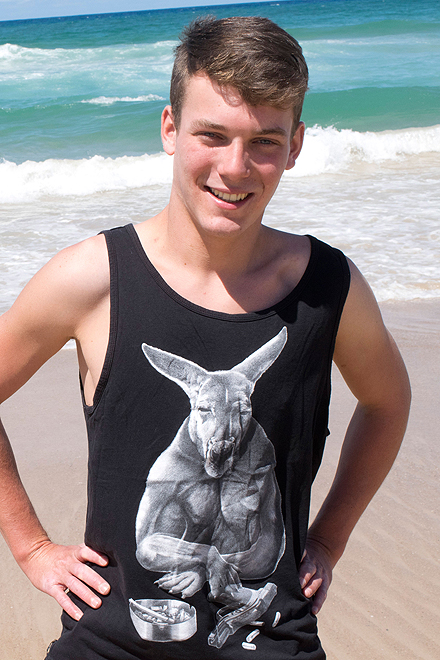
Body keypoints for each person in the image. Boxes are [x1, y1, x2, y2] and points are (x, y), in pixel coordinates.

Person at [0, 16, 410, 660]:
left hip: (273, 640)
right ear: (170, 128)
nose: (234, 168)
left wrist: (329, 539)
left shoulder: (327, 288)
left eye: (265, 141)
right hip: (110, 643)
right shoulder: (93, 279)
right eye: (211, 135)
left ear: (296, 145)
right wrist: (31, 547)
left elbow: (388, 403)